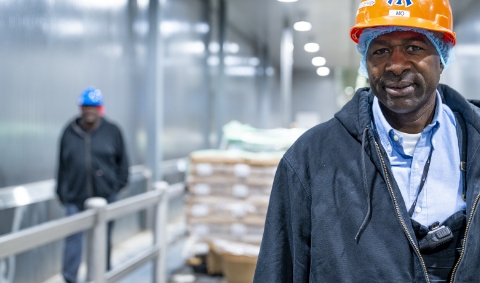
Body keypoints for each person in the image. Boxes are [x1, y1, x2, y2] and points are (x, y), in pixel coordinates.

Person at [254, 0, 480, 282]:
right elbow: (280, 269)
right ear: (365, 60)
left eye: (414, 48)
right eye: (381, 50)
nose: (396, 65)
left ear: (442, 55)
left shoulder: (475, 141)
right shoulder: (310, 158)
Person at [56, 87, 129, 283]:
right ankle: (70, 278)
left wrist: (116, 186)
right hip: (75, 197)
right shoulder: (69, 131)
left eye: (94, 107)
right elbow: (62, 165)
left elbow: (123, 163)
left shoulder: (112, 131)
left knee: (102, 238)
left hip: (105, 196)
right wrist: (62, 192)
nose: (90, 111)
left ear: (100, 109)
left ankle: (101, 275)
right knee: (73, 239)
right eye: (86, 107)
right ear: (81, 108)